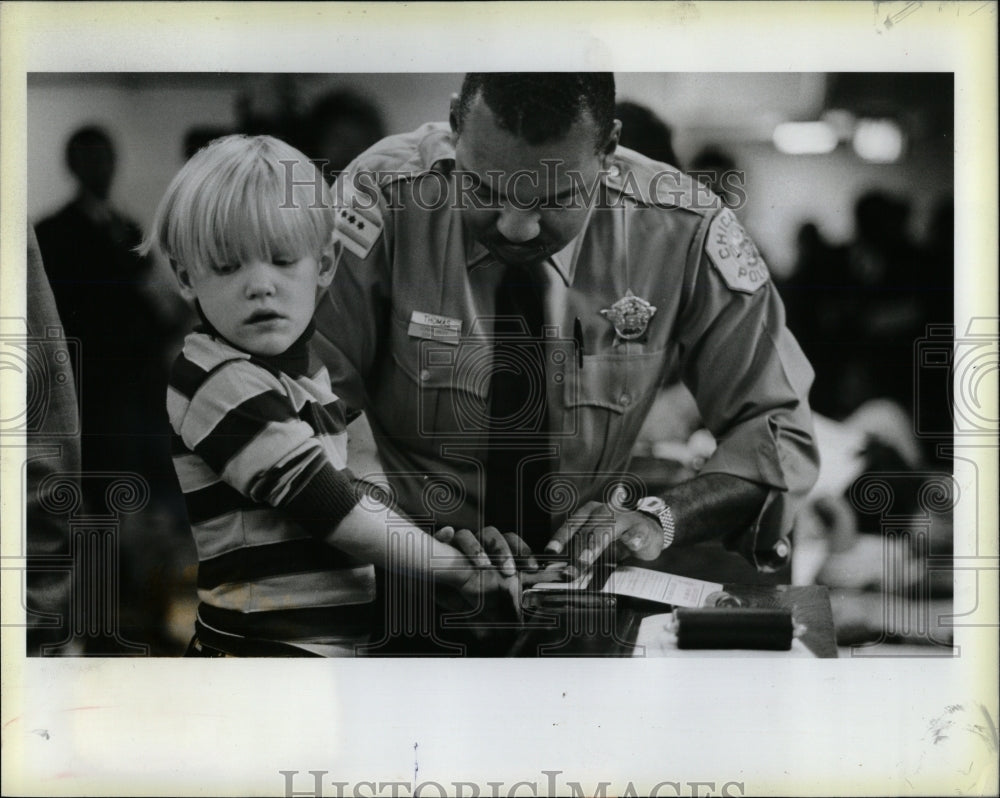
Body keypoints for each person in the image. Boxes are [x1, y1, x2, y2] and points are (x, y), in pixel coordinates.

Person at [313, 73, 818, 603]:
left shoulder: (679, 229)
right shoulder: (378, 201)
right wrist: (410, 538)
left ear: (609, 149)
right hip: (402, 577)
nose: (516, 228)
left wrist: (657, 520)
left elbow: (778, 428)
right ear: (456, 122)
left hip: (579, 591)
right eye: (484, 189)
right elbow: (308, 409)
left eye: (555, 199)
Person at [139, 134, 517, 656]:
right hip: (259, 659)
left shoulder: (313, 380)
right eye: (228, 267)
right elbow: (334, 509)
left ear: (324, 265)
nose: (260, 286)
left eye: (282, 260)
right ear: (185, 277)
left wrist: (442, 546)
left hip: (327, 655)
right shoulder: (215, 378)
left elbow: (371, 497)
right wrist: (453, 568)